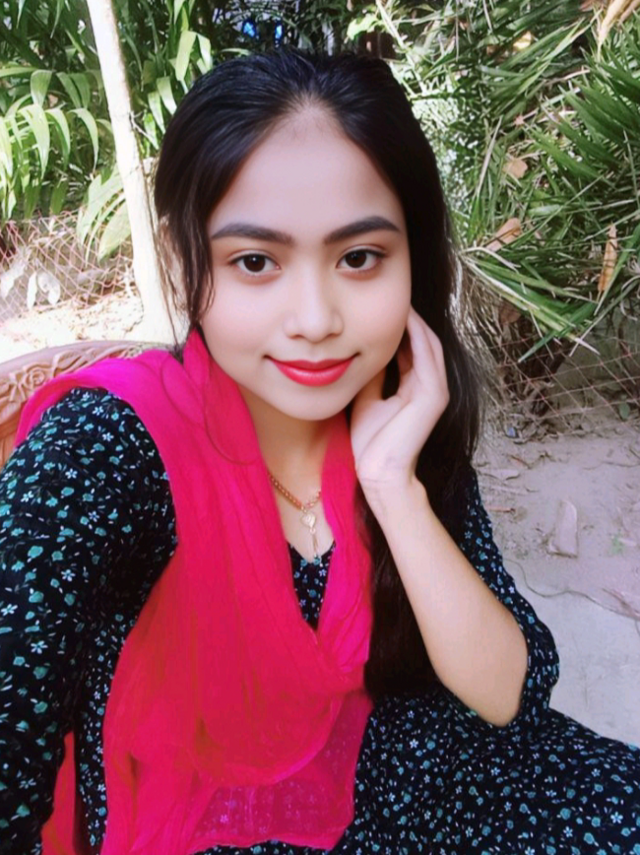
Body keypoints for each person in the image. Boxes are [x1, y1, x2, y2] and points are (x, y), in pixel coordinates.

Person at [0, 49, 638, 855]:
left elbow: (510, 691)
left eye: (359, 257)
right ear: (180, 262)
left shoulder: (395, 413)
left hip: (459, 788)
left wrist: (394, 487)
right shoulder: (104, 447)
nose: (315, 319)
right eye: (255, 262)